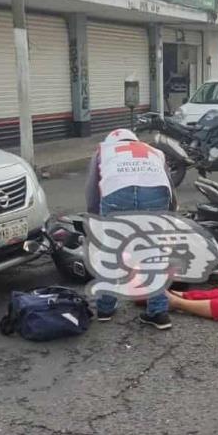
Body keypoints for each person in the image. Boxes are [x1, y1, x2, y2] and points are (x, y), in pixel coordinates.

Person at [85, 128, 177, 329]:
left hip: (117, 195)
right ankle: (159, 312)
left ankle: (105, 308)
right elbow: (168, 183)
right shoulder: (153, 151)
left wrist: (94, 217)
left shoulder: (104, 151)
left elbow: (92, 190)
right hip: (155, 195)